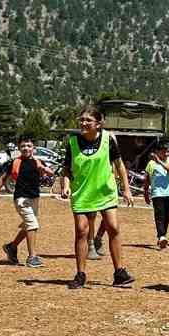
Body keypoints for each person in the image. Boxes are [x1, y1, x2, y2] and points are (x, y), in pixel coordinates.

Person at [57, 105, 133, 289]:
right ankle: (80, 274)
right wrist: (66, 185)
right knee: (82, 231)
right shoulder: (73, 143)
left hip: (105, 192)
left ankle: (119, 273)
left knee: (113, 228)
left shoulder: (108, 140)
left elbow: (120, 165)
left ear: (98, 124)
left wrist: (126, 188)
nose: (83, 123)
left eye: (88, 120)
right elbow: (66, 169)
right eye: (81, 120)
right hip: (82, 193)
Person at [0, 134, 50, 268]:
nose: (26, 148)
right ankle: (32, 257)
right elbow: (2, 178)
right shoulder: (14, 162)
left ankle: (11, 246)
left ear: (33, 147)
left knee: (28, 226)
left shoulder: (38, 162)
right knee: (32, 225)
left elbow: (49, 176)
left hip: (34, 198)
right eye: (23, 146)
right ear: (18, 148)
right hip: (21, 198)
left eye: (28, 146)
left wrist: (46, 172)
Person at [143, 139, 169, 250]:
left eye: (168, 151)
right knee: (159, 215)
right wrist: (146, 193)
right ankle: (161, 235)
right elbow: (147, 180)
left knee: (167, 216)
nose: (166, 153)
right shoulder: (151, 164)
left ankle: (163, 236)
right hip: (157, 193)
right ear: (157, 151)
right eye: (163, 151)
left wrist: (160, 161)